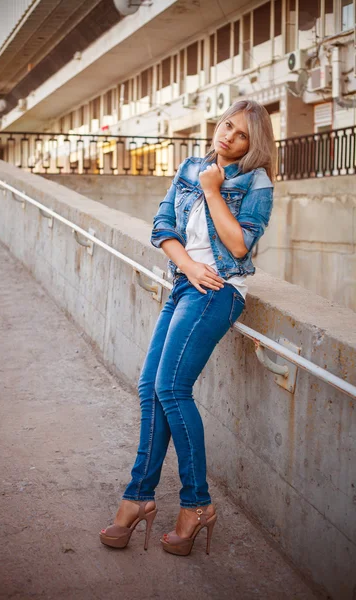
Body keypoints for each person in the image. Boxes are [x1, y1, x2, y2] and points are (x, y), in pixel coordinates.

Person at [99, 99, 276, 556]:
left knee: (172, 388)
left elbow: (239, 245)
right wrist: (187, 266)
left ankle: (195, 504)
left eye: (240, 135)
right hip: (186, 283)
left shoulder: (255, 182)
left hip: (218, 291)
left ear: (253, 145)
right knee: (149, 387)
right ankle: (139, 498)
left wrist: (215, 191)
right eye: (226, 126)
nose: (228, 137)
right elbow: (162, 226)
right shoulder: (191, 166)